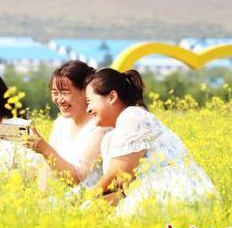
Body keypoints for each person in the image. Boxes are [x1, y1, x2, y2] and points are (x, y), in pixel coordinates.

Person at [83, 68, 218, 216]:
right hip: (170, 197)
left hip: (175, 196)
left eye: (89, 101)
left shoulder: (132, 117)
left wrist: (87, 197)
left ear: (112, 97)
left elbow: (118, 176)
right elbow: (120, 188)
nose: (88, 109)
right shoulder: (120, 128)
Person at [28, 61, 110, 185]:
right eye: (55, 93)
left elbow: (77, 178)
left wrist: (44, 148)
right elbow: (48, 167)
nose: (59, 100)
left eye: (65, 93)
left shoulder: (99, 128)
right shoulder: (61, 123)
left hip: (88, 201)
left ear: (87, 91)